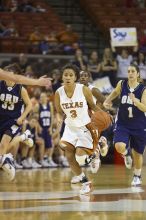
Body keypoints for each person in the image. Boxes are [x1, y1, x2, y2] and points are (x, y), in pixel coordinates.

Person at [55, 64, 102, 195]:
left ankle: (95, 150)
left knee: (80, 157)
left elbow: (92, 106)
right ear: (62, 77)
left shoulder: (83, 89)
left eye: (71, 75)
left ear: (75, 77)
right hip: (70, 127)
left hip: (84, 126)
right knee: (69, 156)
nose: (68, 77)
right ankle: (86, 183)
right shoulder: (58, 92)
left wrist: (105, 116)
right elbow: (59, 112)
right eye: (65, 75)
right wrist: (59, 120)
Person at [103, 64, 146, 186]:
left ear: (137, 74)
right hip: (123, 123)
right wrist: (107, 100)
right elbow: (115, 92)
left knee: (137, 154)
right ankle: (126, 154)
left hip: (139, 125)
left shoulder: (143, 89)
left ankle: (137, 176)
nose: (130, 73)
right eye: (128, 71)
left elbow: (145, 108)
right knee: (119, 146)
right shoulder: (122, 84)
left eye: (133, 71)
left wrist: (136, 101)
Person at [0, 63, 32, 180]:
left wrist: (22, 118)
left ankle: (8, 161)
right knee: (1, 150)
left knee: (3, 145)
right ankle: (23, 137)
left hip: (14, 120)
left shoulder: (20, 89)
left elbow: (29, 105)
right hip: (1, 119)